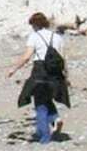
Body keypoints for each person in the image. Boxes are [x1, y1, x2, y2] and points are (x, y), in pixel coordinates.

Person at [5, 11, 71, 142]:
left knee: (40, 102)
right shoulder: (57, 37)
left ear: (35, 25)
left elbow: (26, 56)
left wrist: (13, 69)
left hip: (40, 72)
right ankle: (55, 118)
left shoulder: (34, 37)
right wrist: (66, 77)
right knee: (47, 98)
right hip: (56, 73)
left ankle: (44, 135)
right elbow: (63, 59)